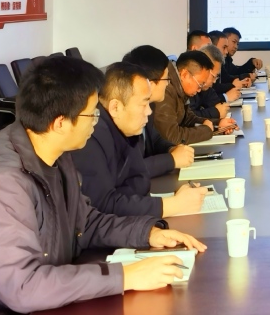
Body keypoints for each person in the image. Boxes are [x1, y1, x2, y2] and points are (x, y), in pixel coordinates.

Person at [0, 56, 206, 312]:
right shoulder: (1, 185)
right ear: (60, 123)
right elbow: (22, 287)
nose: (97, 122)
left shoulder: (56, 156)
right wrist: (124, 276)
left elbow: (85, 223)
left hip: (46, 300)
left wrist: (147, 233)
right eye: (92, 115)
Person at [72, 62, 211, 218]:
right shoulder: (90, 138)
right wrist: (171, 205)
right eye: (144, 104)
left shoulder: (126, 130)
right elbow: (102, 206)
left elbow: (140, 182)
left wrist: (173, 200)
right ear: (115, 108)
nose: (149, 111)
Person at [121, 44, 195, 178]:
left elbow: (155, 139)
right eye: (166, 79)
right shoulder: (124, 114)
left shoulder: (150, 105)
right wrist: (171, 160)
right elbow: (131, 169)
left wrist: (172, 149)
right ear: (149, 82)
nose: (168, 84)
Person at [152, 50, 236, 144]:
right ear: (185, 75)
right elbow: (172, 136)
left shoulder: (179, 87)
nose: (199, 90)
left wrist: (217, 124)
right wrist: (206, 131)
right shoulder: (166, 91)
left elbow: (188, 119)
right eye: (200, 84)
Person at [190, 43, 240, 125]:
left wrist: (220, 113)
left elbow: (216, 103)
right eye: (214, 76)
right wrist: (216, 112)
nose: (214, 81)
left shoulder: (205, 87)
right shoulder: (189, 86)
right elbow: (189, 118)